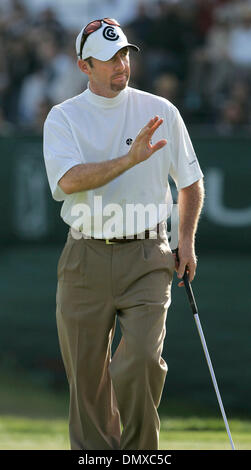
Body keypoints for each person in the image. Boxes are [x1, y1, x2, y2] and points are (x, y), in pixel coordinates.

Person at [43, 18, 204, 451]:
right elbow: (70, 180)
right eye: (109, 58)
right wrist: (128, 160)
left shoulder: (161, 110)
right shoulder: (63, 117)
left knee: (141, 363)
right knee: (87, 384)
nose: (121, 65)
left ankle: (140, 455)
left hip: (149, 255)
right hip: (84, 257)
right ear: (84, 66)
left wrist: (184, 240)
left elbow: (190, 183)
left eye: (125, 55)